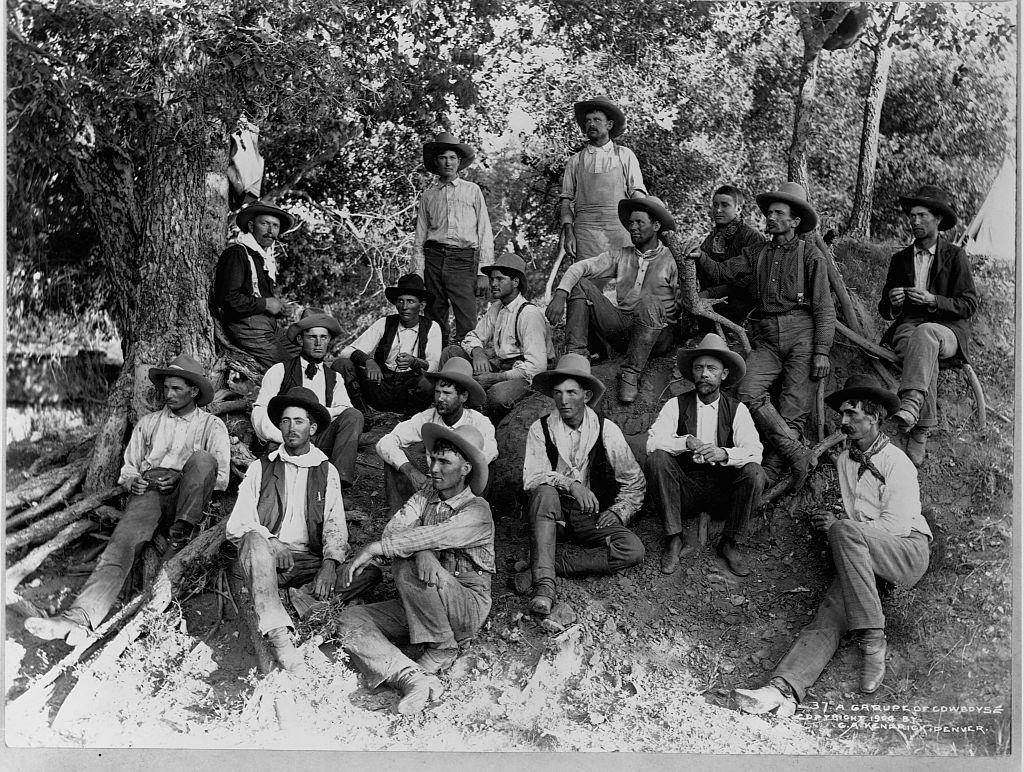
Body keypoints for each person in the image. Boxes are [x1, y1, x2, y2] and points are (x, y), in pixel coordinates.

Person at [733, 375, 931, 715]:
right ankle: (783, 690)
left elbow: (896, 527)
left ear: (874, 417)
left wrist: (844, 528)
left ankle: (873, 641)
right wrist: (844, 526)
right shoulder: (844, 461)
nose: (844, 421)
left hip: (906, 553)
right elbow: (858, 515)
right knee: (830, 613)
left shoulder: (897, 462)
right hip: (864, 556)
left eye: (852, 414)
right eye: (842, 414)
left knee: (843, 531)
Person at [26, 355, 230, 645]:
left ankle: (178, 541)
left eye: (176, 389)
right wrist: (134, 480)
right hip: (150, 491)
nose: (168, 395)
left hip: (188, 497)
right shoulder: (149, 423)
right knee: (121, 545)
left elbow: (220, 476)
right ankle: (79, 618)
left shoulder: (212, 426)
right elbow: (129, 468)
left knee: (202, 459)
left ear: (194, 391)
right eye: (166, 389)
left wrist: (182, 477)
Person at [335, 423, 495, 715]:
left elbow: (436, 536)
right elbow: (393, 531)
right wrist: (418, 550)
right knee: (350, 619)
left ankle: (443, 647)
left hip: (465, 606)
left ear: (465, 469)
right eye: (432, 459)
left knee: (407, 557)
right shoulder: (425, 496)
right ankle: (410, 675)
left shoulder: (478, 511)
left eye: (444, 461)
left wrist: (397, 549)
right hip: (422, 602)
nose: (433, 467)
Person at [226, 387, 380, 672]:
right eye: (285, 421)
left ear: (313, 427)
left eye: (298, 421)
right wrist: (272, 542)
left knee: (369, 572)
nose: (290, 428)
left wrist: (330, 564)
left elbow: (335, 525)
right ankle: (280, 637)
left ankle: (300, 595)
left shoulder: (326, 470)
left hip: (307, 562)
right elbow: (237, 523)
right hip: (268, 559)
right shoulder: (261, 467)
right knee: (252, 540)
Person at [694, 182, 835, 489]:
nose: (770, 217)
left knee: (793, 411)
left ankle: (770, 473)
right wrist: (699, 257)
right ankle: (797, 455)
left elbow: (824, 306)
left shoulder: (812, 256)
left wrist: (822, 350)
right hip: (768, 337)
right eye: (768, 212)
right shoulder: (756, 252)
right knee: (745, 392)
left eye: (778, 213)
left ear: (794, 221)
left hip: (802, 335)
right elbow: (722, 273)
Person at [519, 354, 646, 615]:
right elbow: (531, 479)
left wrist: (619, 510)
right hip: (553, 514)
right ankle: (544, 586)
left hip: (591, 516)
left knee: (632, 550)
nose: (563, 400)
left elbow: (634, 480)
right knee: (544, 492)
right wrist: (571, 485)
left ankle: (551, 562)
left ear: (586, 396)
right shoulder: (540, 429)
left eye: (571, 393)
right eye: (558, 393)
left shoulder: (606, 429)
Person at [645, 334, 765, 577]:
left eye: (712, 368)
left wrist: (724, 453)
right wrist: (685, 442)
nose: (704, 374)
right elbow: (652, 443)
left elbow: (755, 452)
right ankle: (674, 538)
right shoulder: (675, 405)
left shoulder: (737, 409)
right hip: (685, 491)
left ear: (724, 374)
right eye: (699, 368)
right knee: (657, 458)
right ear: (692, 373)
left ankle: (729, 543)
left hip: (724, 493)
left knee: (754, 472)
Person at [878, 185, 979, 466]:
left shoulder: (955, 256)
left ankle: (911, 407)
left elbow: (968, 304)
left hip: (947, 329)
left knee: (927, 335)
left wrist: (934, 299)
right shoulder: (900, 259)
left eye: (922, 216)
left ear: (937, 220)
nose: (915, 222)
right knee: (922, 347)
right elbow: (884, 309)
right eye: (912, 216)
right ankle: (922, 427)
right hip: (908, 325)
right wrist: (894, 300)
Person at [546, 196, 679, 404]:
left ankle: (631, 372)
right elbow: (581, 267)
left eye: (639, 222)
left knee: (649, 301)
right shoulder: (621, 255)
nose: (632, 227)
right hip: (624, 328)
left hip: (658, 333)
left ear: (656, 226)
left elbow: (684, 301)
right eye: (631, 222)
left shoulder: (672, 259)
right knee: (581, 283)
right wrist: (561, 293)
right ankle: (577, 357)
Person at [251, 309, 363, 489]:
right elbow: (260, 411)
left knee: (354, 415)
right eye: (312, 337)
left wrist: (323, 411)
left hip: (319, 440)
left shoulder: (334, 377)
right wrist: (285, 436)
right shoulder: (280, 370)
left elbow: (345, 409)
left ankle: (336, 484)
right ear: (300, 340)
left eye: (324, 337)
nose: (319, 343)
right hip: (287, 439)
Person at [439, 252, 554, 419]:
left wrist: (496, 378)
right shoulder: (497, 307)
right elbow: (473, 336)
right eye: (492, 279)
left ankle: (483, 422)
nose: (493, 283)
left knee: (496, 395)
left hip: (525, 376)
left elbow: (536, 368)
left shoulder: (529, 313)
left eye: (500, 279)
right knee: (451, 353)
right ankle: (447, 407)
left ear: (515, 282)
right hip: (500, 366)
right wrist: (477, 351)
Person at [375, 358, 498, 513]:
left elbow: (489, 454)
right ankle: (402, 515)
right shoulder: (427, 417)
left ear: (463, 397)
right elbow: (385, 442)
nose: (440, 399)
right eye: (437, 392)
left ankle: (462, 517)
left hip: (463, 491)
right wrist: (412, 472)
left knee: (485, 466)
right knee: (396, 457)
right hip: (433, 484)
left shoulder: (479, 422)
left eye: (447, 393)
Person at [412, 131, 494, 346]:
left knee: (466, 316)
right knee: (434, 314)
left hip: (463, 259)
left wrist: (484, 271)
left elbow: (484, 231)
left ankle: (467, 361)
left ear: (459, 161)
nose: (447, 162)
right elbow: (420, 237)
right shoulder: (429, 196)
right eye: (442, 158)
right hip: (434, 258)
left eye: (452, 158)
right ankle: (436, 360)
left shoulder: (472, 191)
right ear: (436, 162)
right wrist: (418, 273)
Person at [335, 273, 441, 416]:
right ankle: (364, 414)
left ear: (421, 305)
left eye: (410, 301)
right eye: (400, 301)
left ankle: (411, 417)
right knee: (342, 365)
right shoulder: (385, 323)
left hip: (409, 391)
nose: (404, 306)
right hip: (381, 386)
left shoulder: (432, 327)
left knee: (428, 382)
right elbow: (346, 351)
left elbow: (433, 366)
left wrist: (414, 361)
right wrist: (369, 361)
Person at [213, 200, 300, 371]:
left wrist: (279, 306)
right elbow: (228, 299)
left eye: (275, 226)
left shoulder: (262, 258)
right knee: (289, 370)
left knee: (304, 354)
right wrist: (266, 304)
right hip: (247, 326)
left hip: (268, 326)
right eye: (265, 223)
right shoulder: (237, 253)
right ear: (252, 226)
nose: (270, 230)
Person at [559, 95, 647, 263]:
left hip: (620, 231)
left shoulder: (624, 155)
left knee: (624, 283)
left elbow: (637, 195)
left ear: (610, 124)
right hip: (585, 235)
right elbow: (566, 202)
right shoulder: (575, 161)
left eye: (597, 119)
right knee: (586, 285)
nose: (591, 124)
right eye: (588, 120)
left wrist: (644, 227)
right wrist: (569, 233)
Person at [696, 185, 766, 326]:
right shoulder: (710, 239)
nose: (718, 210)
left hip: (741, 309)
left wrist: (710, 294)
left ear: (738, 209)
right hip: (708, 305)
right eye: (715, 205)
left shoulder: (752, 237)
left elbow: (748, 281)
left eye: (725, 205)